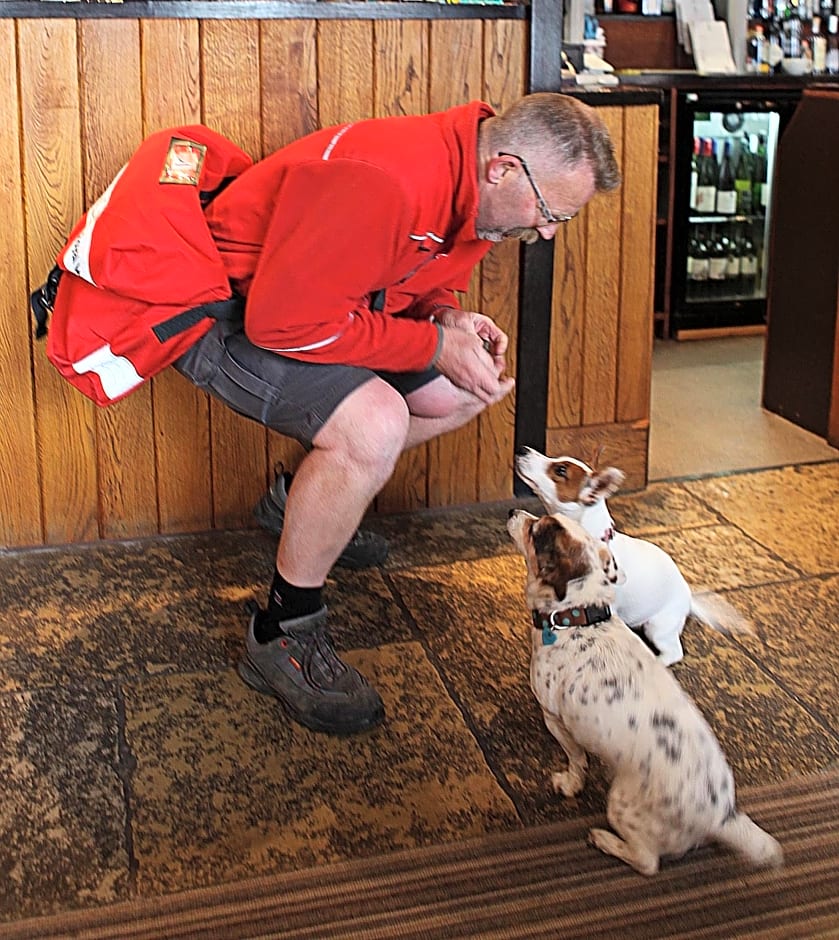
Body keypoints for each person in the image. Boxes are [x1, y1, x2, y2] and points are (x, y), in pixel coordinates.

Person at [173, 93, 621, 735]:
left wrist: (447, 317)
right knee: (375, 422)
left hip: (314, 311)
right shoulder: (386, 180)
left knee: (465, 389)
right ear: (503, 169)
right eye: (551, 212)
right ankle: (281, 633)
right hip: (223, 315)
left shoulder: (479, 190)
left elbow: (416, 269)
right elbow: (281, 323)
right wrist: (436, 345)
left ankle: (306, 503)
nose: (547, 231)